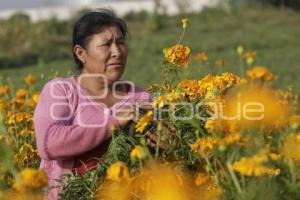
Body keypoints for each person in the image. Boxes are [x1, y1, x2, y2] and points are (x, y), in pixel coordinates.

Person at [33, 9, 151, 200]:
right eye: (106, 44)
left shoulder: (141, 96)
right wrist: (114, 122)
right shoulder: (62, 90)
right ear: (81, 53)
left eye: (120, 42)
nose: (117, 52)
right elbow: (49, 144)